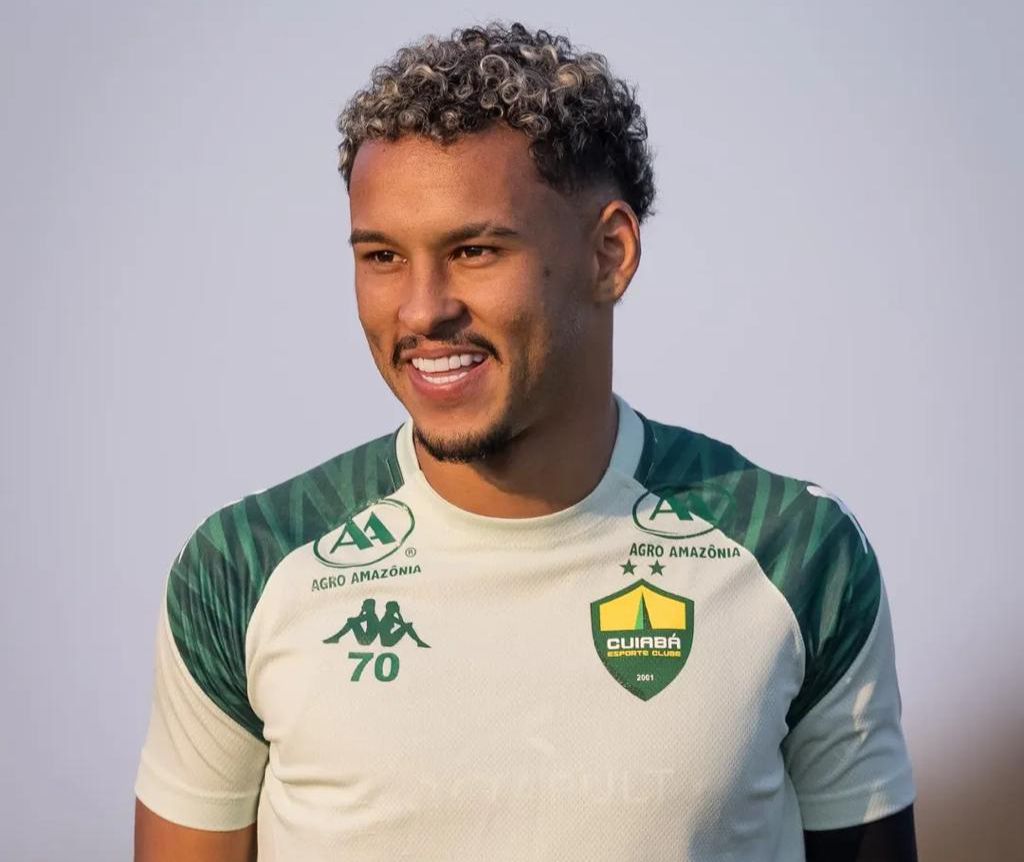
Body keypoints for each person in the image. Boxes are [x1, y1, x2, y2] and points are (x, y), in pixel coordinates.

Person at [134, 21, 917, 862]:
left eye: (474, 250)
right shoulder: (245, 568)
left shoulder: (797, 553)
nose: (422, 309)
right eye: (383, 256)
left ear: (609, 254)